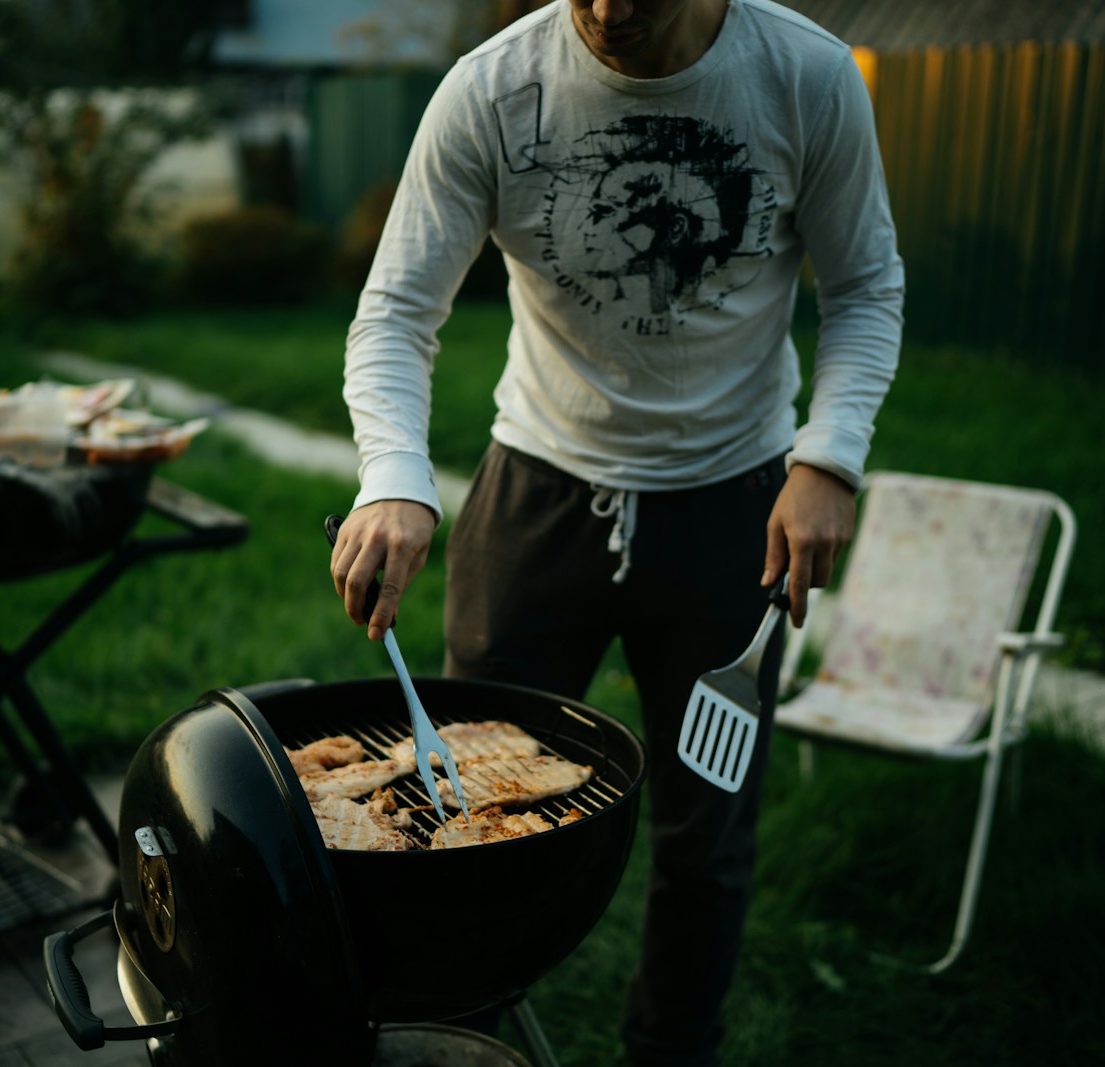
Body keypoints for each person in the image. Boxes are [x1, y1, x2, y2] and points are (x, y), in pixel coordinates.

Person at [329, 1, 903, 1063]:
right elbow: (396, 310)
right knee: (458, 812)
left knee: (707, 831)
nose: (604, 11)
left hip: (737, 506)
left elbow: (864, 284)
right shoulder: (491, 90)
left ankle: (670, 1049)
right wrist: (395, 477)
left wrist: (827, 457)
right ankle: (459, 1041)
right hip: (536, 497)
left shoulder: (808, 77)